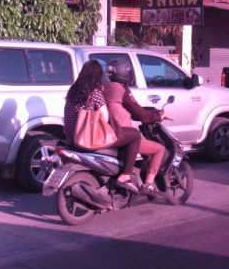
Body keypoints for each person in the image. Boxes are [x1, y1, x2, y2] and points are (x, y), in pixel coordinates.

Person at [64, 60, 141, 191]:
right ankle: (125, 175)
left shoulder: (72, 90)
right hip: (89, 137)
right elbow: (104, 117)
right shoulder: (94, 92)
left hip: (71, 136)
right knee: (135, 135)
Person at [103, 58, 167, 196]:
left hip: (106, 133)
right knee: (159, 149)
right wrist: (157, 117)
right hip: (123, 135)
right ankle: (148, 184)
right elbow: (138, 112)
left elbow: (130, 111)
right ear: (125, 73)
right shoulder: (122, 90)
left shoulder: (105, 88)